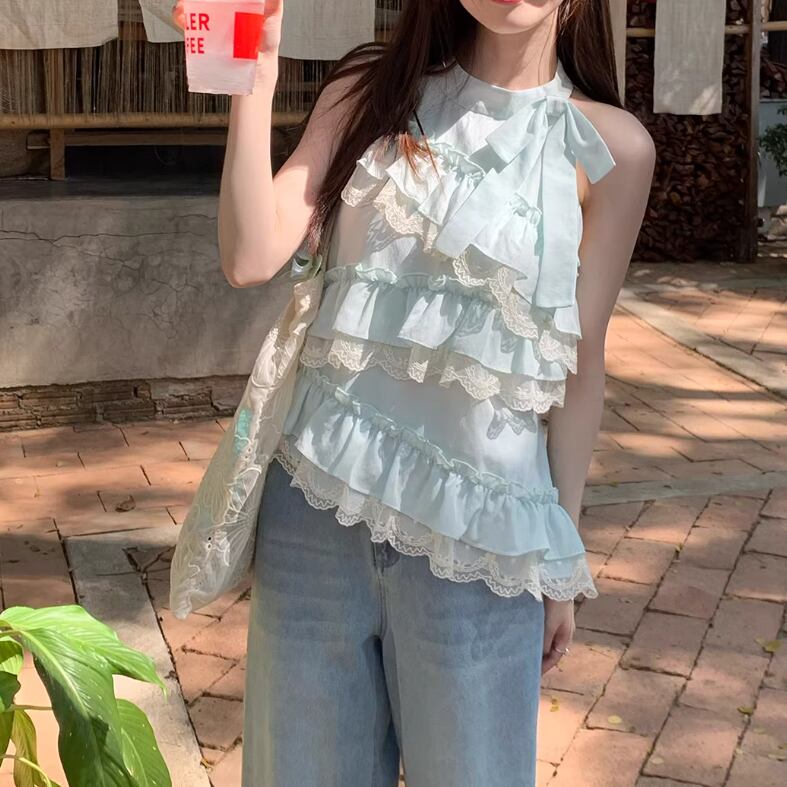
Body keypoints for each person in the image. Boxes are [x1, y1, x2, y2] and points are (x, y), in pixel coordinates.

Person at [173, 1, 655, 785]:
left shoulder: (611, 147)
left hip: (480, 545)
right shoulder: (371, 90)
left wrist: (559, 557)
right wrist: (252, 77)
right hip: (314, 517)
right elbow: (250, 255)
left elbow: (581, 362)